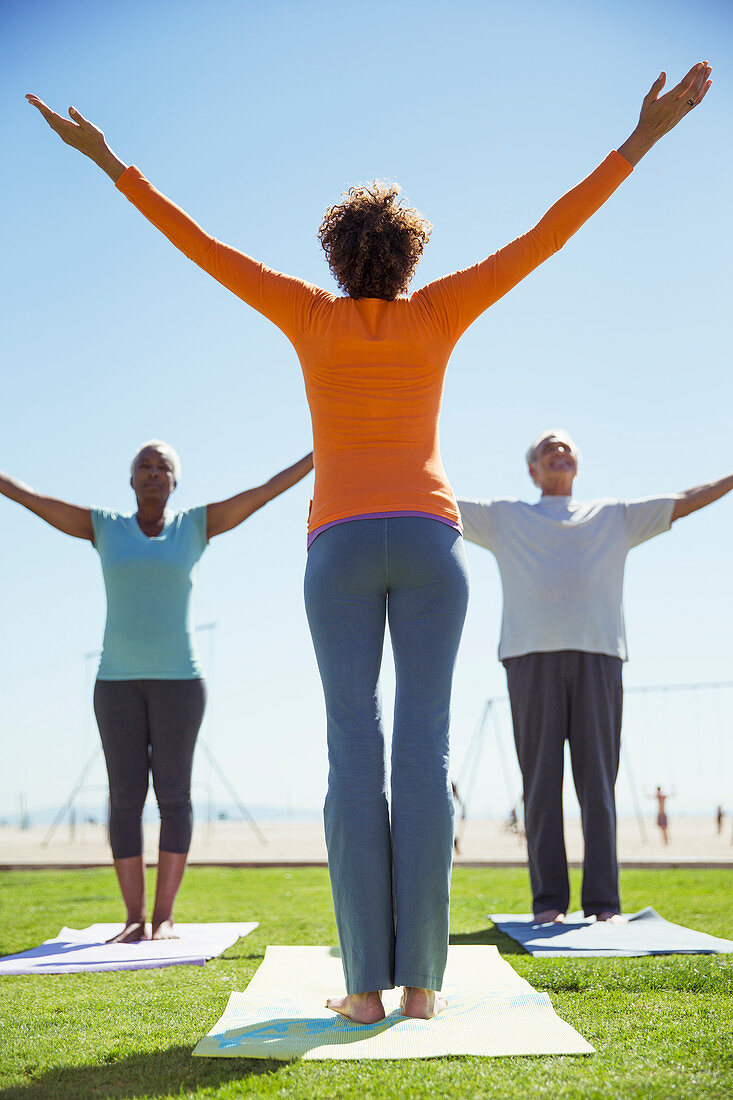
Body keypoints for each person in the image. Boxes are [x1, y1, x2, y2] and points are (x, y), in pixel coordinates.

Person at [26, 61, 711, 1020]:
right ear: (409, 258)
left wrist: (107, 161)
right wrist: (642, 140)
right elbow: (547, 236)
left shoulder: (309, 315)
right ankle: (423, 984)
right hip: (432, 547)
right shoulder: (439, 311)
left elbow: (198, 245)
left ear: (339, 257)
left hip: (341, 546)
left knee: (354, 752)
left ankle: (363, 989)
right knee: (421, 757)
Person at [0, 443, 313, 941]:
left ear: (174, 481)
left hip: (180, 683)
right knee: (125, 798)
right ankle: (132, 919)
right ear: (130, 480)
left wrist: (315, 457)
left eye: (162, 466)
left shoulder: (194, 527)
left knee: (174, 796)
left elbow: (262, 493)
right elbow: (33, 499)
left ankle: (164, 916)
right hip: (115, 683)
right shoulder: (104, 526)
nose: (152, 473)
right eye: (143, 467)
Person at [458, 430, 732, 923]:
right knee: (540, 783)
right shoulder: (504, 517)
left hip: (600, 657)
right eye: (546, 448)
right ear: (533, 472)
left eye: (565, 447)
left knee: (598, 786)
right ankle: (548, 905)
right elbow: (433, 499)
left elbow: (687, 500)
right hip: (529, 658)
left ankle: (604, 905)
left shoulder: (614, 516)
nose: (557, 451)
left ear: (577, 466)